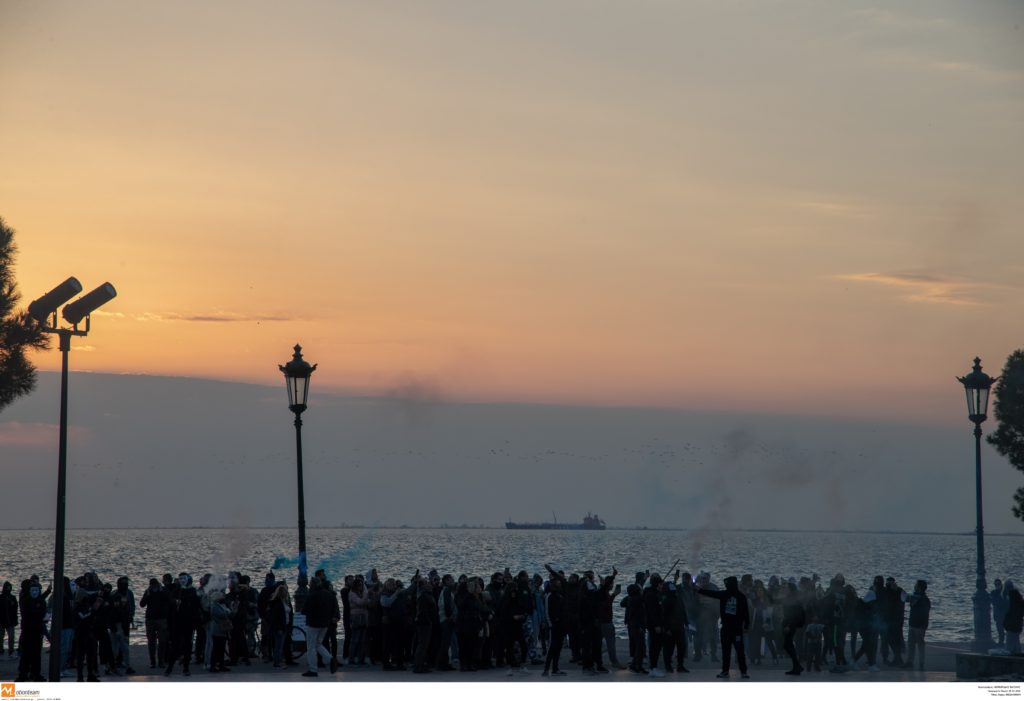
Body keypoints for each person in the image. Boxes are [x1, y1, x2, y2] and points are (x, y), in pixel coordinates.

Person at [699, 575, 751, 679]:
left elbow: (746, 613)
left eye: (727, 584)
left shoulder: (741, 597)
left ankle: (743, 671)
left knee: (739, 651)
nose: (726, 586)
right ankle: (725, 671)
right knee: (726, 651)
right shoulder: (725, 594)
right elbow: (712, 594)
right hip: (726, 629)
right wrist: (699, 590)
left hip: (736, 629)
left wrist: (746, 625)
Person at [165, 573, 202, 677]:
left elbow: (195, 606)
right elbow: (170, 604)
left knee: (187, 646)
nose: (182, 581)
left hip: (188, 623)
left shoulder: (191, 591)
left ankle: (185, 667)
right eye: (180, 579)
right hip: (177, 623)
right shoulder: (177, 591)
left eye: (183, 579)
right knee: (175, 646)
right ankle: (170, 667)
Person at [300, 576, 337, 677]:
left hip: (313, 623)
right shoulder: (328, 594)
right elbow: (333, 608)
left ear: (313, 584)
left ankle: (313, 669)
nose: (309, 585)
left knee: (311, 647)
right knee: (318, 644)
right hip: (325, 624)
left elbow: (305, 610)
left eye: (310, 583)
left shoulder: (312, 595)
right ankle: (330, 659)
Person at [16, 580, 47, 682]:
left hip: (37, 631)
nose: (34, 592)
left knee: (36, 654)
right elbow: (28, 614)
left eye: (36, 590)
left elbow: (42, 613)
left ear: (39, 591)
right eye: (32, 590)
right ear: (29, 591)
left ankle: (35, 673)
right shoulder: (25, 601)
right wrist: (36, 612)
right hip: (27, 631)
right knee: (25, 654)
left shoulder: (41, 601)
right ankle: (23, 674)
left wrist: (36, 612)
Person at [140, 578, 170, 669]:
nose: (154, 587)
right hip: (150, 619)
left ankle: (161, 661)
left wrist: (162, 592)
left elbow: (169, 601)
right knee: (151, 642)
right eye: (152, 585)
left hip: (161, 619)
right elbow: (142, 604)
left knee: (162, 641)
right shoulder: (148, 591)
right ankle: (153, 662)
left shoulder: (164, 590)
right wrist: (147, 595)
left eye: (155, 585)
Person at [542, 573, 568, 677]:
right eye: (557, 582)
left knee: (558, 647)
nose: (559, 583)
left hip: (561, 625)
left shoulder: (560, 595)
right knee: (552, 647)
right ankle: (546, 669)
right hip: (554, 626)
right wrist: (551, 624)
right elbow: (547, 612)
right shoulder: (550, 596)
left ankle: (555, 669)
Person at [108, 576, 136, 674]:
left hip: (124, 624)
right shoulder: (114, 595)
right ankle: (110, 666)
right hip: (117, 624)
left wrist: (131, 616)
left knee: (123, 646)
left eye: (126, 584)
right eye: (124, 584)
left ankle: (122, 664)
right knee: (116, 647)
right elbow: (112, 612)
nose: (125, 586)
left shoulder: (129, 593)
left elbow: (131, 607)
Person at [643, 573, 667, 677]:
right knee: (655, 646)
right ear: (658, 584)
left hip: (657, 624)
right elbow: (652, 612)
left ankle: (654, 666)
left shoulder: (652, 593)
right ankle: (653, 668)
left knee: (656, 646)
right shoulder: (652, 595)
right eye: (661, 584)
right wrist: (657, 625)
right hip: (655, 625)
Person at [902, 580, 931, 671]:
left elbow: (906, 598)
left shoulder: (920, 598)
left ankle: (919, 663)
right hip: (915, 624)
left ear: (919, 587)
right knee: (913, 644)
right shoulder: (924, 598)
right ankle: (913, 662)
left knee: (918, 645)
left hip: (918, 625)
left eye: (916, 585)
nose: (914, 586)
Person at [621, 581, 646, 673]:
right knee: (640, 647)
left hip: (632, 625)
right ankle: (637, 666)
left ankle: (634, 664)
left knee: (637, 646)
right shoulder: (637, 599)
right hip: (637, 626)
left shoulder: (631, 599)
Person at [781, 581, 806, 675]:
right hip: (790, 623)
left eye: (786, 588)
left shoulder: (792, 599)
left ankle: (797, 666)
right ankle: (797, 666)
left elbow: (794, 614)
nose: (784, 589)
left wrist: (788, 625)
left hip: (791, 624)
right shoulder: (790, 597)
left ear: (790, 589)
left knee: (787, 645)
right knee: (788, 645)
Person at [1003, 581, 1023, 655]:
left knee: (1010, 642)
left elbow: (1009, 613)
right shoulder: (1017, 598)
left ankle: (1011, 655)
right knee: (1015, 640)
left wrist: (1006, 624)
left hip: (1012, 625)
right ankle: (1017, 653)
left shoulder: (1009, 598)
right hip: (1017, 624)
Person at [0, 581, 17, 659]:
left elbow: (15, 609)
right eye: (8, 587)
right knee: (0, 638)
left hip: (11, 621)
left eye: (10, 587)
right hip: (1, 621)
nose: (9, 589)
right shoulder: (1, 598)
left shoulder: (13, 598)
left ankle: (11, 652)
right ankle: (1, 652)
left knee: (11, 637)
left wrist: (15, 620)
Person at [992, 579, 1009, 648]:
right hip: (998, 615)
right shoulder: (993, 593)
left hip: (1004, 614)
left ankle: (1006, 643)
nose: (997, 586)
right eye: (996, 584)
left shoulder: (1004, 593)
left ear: (1001, 584)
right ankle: (1001, 643)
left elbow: (1004, 603)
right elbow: (994, 603)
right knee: (1000, 631)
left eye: (998, 584)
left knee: (1007, 630)